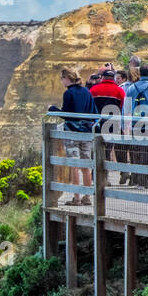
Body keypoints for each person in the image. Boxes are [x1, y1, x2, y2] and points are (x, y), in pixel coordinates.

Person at [48, 66, 96, 206]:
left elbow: (66, 114)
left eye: (62, 79)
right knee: (86, 165)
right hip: (86, 133)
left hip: (72, 133)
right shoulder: (87, 92)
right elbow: (94, 112)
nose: (61, 82)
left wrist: (52, 109)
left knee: (74, 165)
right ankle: (87, 197)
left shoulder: (68, 93)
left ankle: (77, 198)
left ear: (67, 78)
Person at [91, 65, 126, 184]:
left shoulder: (94, 90)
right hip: (113, 124)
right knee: (108, 150)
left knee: (96, 149)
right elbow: (121, 107)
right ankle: (105, 177)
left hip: (97, 123)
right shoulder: (119, 91)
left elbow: (91, 106)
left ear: (102, 77)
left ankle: (96, 176)